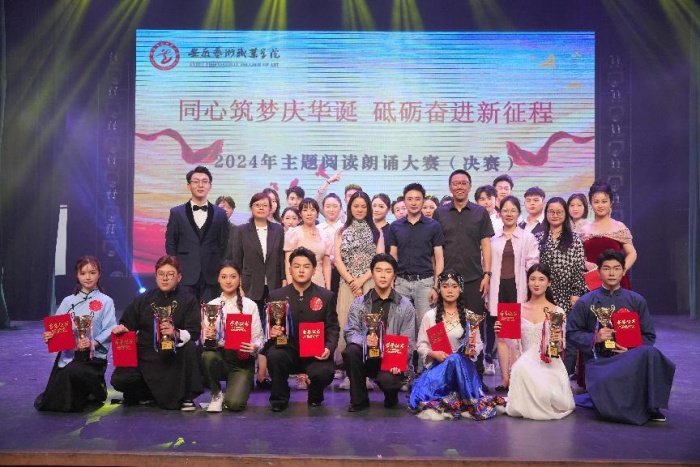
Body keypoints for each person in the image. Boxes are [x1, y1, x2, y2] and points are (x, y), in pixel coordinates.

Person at [567, 249, 675, 425]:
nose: (611, 273)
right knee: (609, 410)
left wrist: (631, 349)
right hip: (600, 362)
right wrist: (595, 338)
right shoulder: (586, 301)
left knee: (651, 353)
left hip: (629, 358)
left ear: (623, 271)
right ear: (598, 272)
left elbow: (649, 335)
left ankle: (652, 407)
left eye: (616, 268)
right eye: (606, 268)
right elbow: (572, 333)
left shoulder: (636, 300)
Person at [410, 271, 506, 420]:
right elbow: (421, 346)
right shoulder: (430, 316)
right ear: (439, 289)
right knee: (454, 359)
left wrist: (471, 350)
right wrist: (434, 354)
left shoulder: (470, 316)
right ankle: (462, 398)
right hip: (439, 369)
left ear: (460, 289)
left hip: (463, 370)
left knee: (456, 358)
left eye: (454, 286)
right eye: (445, 286)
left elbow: (478, 345)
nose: (450, 290)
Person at [111, 256, 203, 410]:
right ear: (156, 276)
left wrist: (175, 333)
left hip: (174, 357)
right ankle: (148, 393)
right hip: (147, 356)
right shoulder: (144, 299)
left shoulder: (189, 300)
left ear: (179, 277)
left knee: (190, 348)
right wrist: (122, 328)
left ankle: (186, 396)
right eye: (161, 274)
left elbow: (194, 332)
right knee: (119, 380)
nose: (165, 278)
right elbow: (127, 323)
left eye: (170, 274)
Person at [433, 170, 494, 390]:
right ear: (450, 187)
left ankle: (476, 377)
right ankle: (445, 376)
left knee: (473, 328)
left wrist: (487, 274)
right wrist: (436, 282)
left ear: (469, 186)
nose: (459, 187)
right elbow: (436, 251)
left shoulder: (480, 213)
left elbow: (486, 245)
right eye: (455, 183)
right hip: (446, 282)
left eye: (463, 183)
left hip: (473, 279)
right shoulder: (440, 213)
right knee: (443, 327)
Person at [35, 256, 117, 412]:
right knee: (52, 400)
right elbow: (56, 327)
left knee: (70, 376)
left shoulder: (106, 301)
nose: (88, 277)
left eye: (92, 272)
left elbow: (110, 328)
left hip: (92, 358)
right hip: (68, 356)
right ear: (77, 276)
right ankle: (88, 391)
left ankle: (96, 390)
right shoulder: (68, 301)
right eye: (83, 273)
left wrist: (93, 343)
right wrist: (50, 336)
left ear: (99, 274)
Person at [495, 263, 575, 420]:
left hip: (549, 362)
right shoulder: (516, 310)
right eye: (532, 279)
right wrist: (501, 332)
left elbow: (560, 348)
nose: (536, 283)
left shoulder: (557, 311)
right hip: (525, 360)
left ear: (549, 283)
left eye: (541, 279)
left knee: (544, 393)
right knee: (521, 368)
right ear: (527, 282)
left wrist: (558, 341)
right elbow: (513, 344)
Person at [266, 247, 339, 412]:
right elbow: (269, 327)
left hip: (315, 353)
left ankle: (315, 394)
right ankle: (279, 399)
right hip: (287, 350)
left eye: (306, 266)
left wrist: (328, 348)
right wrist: (272, 333)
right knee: (274, 355)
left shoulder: (326, 296)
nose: (301, 270)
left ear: (314, 270)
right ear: (290, 269)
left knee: (324, 371)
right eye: (296, 266)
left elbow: (333, 327)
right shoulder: (276, 296)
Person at [343, 254, 415, 412]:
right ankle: (359, 400)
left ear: (394, 275)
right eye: (379, 270)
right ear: (372, 273)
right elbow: (350, 332)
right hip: (366, 356)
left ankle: (391, 396)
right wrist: (365, 341)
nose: (383, 275)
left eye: (388, 271)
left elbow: (409, 340)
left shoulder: (405, 305)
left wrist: (399, 361)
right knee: (350, 351)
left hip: (391, 358)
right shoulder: (359, 303)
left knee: (389, 382)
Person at [230, 192, 285, 389]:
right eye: (257, 205)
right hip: (249, 287)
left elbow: (281, 258)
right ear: (251, 208)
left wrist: (283, 282)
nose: (261, 208)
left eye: (265, 205)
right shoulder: (242, 230)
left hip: (273, 286)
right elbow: (236, 260)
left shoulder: (278, 229)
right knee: (250, 330)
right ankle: (246, 374)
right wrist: (239, 287)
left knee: (271, 330)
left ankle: (263, 374)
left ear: (271, 208)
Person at [388, 183, 444, 375]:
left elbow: (439, 258)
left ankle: (425, 371)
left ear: (423, 200)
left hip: (425, 283)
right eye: (409, 199)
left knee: (426, 328)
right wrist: (392, 283)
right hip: (401, 283)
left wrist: (436, 287)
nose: (413, 202)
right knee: (400, 326)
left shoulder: (433, 226)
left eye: (417, 199)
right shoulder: (396, 227)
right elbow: (392, 257)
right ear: (404, 201)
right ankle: (402, 372)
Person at [335, 191, 384, 388]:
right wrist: (351, 281)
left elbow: (379, 259)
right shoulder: (341, 231)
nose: (360, 209)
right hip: (347, 285)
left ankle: (366, 375)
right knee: (347, 325)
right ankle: (350, 374)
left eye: (363, 206)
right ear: (350, 208)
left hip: (369, 284)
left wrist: (362, 280)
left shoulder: (376, 231)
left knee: (369, 327)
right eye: (356, 206)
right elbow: (337, 260)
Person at [534, 197, 588, 376]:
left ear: (565, 214)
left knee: (565, 338)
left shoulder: (574, 239)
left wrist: (576, 293)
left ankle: (562, 376)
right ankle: (545, 375)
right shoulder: (538, 238)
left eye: (559, 212)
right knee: (544, 336)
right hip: (544, 295)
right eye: (551, 212)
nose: (555, 215)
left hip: (567, 295)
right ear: (546, 213)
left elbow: (579, 269)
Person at [488, 196, 539, 383]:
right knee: (501, 335)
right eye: (505, 210)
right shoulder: (492, 239)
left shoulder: (528, 237)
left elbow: (533, 267)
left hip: (518, 290)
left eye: (513, 210)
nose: (509, 214)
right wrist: (486, 296)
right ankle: (504, 378)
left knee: (516, 336)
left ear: (519, 213)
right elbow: (486, 266)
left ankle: (516, 378)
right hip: (498, 290)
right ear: (499, 213)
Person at [201, 261, 264, 412]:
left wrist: (254, 347)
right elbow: (203, 341)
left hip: (242, 361)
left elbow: (259, 338)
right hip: (221, 357)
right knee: (207, 356)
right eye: (224, 277)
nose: (228, 281)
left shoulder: (250, 305)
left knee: (234, 405)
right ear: (218, 279)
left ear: (240, 278)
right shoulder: (211, 306)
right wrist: (209, 337)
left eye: (233, 276)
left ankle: (233, 389)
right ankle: (216, 394)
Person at [165, 166, 230, 302]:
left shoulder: (220, 214)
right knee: (185, 312)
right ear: (189, 186)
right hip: (185, 274)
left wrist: (219, 269)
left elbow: (224, 244)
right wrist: (175, 270)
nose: (200, 185)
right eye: (196, 181)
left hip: (212, 275)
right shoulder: (177, 212)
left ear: (210, 186)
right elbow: (171, 244)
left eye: (205, 181)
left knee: (210, 312)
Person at [578, 181, 637, 289]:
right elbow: (576, 257)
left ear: (611, 203)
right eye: (596, 202)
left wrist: (621, 270)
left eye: (604, 201)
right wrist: (585, 264)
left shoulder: (619, 227)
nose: (600, 205)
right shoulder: (584, 230)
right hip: (592, 283)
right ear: (591, 204)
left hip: (617, 283)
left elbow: (632, 253)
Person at [284, 198, 332, 289]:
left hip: (318, 282)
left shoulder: (324, 235)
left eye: (312, 210)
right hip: (298, 282)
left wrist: (328, 288)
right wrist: (290, 286)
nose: (309, 213)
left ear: (317, 213)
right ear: (300, 214)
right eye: (305, 210)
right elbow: (288, 262)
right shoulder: (293, 233)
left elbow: (326, 264)